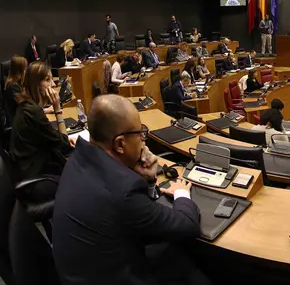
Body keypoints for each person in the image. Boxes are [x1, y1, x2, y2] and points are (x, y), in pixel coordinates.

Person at [53, 95, 209, 285]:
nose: (144, 139)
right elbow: (187, 225)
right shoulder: (123, 189)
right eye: (140, 133)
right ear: (119, 144)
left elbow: (132, 219)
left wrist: (149, 180)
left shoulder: (79, 157)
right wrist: (181, 193)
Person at [10, 62, 74, 180]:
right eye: (47, 79)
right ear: (36, 84)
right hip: (35, 179)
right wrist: (57, 108)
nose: (53, 84)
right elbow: (64, 146)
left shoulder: (28, 106)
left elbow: (57, 140)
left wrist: (60, 139)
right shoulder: (33, 112)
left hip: (31, 168)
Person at [4, 56, 27, 122]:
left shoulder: (18, 82)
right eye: (25, 69)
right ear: (19, 71)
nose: (26, 71)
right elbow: (23, 106)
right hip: (19, 122)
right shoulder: (12, 85)